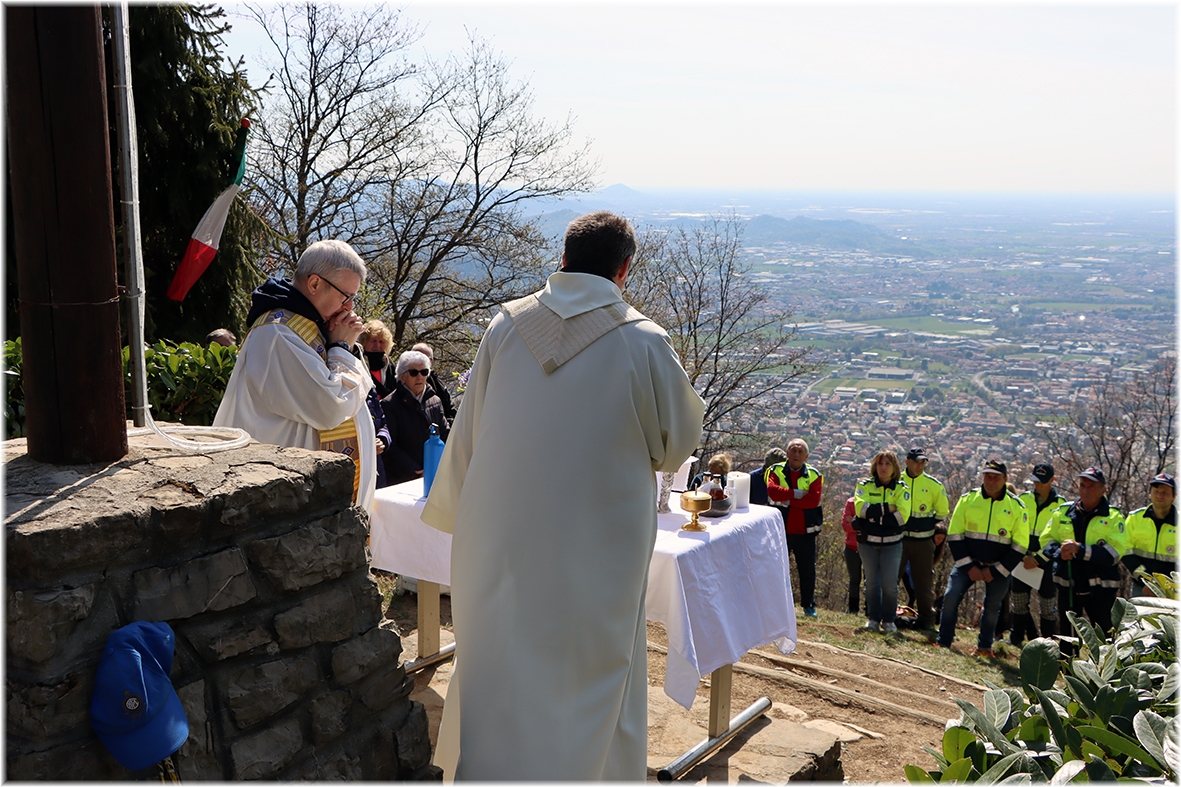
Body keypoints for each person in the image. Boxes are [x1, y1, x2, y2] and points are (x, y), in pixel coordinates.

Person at [420, 210, 704, 781]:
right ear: (624, 269)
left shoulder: (505, 327)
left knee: (498, 666)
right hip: (593, 551)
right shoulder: (644, 341)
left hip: (499, 540)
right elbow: (676, 446)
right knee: (588, 677)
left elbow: (468, 433)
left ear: (565, 259)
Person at [213, 239, 376, 509]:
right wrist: (340, 347)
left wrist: (340, 345)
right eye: (345, 296)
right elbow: (330, 408)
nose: (349, 307)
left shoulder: (308, 325)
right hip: (285, 495)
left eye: (352, 298)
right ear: (315, 284)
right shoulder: (278, 333)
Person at [935, 460, 1029, 657]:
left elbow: (1020, 545)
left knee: (992, 608)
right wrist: (969, 566)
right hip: (967, 564)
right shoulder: (968, 500)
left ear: (1005, 479)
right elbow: (955, 534)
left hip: (998, 568)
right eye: (987, 476)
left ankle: (984, 647)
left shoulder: (1017, 507)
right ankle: (943, 641)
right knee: (951, 597)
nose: (991, 481)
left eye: (996, 477)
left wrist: (995, 570)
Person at [1040, 466, 1127, 639]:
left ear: (1103, 490)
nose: (1086, 490)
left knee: (1105, 637)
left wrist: (1080, 550)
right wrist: (1059, 553)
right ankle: (1067, 659)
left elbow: (1114, 553)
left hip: (1101, 590)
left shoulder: (1113, 517)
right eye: (1082, 485)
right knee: (1068, 637)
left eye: (1091, 486)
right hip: (1068, 586)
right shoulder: (1063, 512)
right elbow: (1046, 540)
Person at [851, 450, 911, 634]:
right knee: (871, 583)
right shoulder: (865, 485)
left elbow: (902, 518)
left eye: (887, 464)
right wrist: (889, 509)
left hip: (892, 545)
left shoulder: (902, 488)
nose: (883, 467)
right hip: (868, 544)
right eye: (880, 463)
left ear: (894, 468)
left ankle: (889, 620)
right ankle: (873, 619)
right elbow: (861, 510)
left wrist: (874, 516)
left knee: (889, 585)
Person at [766, 438, 824, 618]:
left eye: (800, 451)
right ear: (787, 453)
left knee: (807, 571)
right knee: (776, 569)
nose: (796, 454)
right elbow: (773, 492)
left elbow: (812, 501)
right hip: (780, 530)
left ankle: (808, 605)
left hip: (805, 531)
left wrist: (788, 500)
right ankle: (773, 603)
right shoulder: (774, 470)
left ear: (806, 456)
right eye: (793, 450)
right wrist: (798, 494)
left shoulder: (814, 475)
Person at [1010, 462, 1064, 645]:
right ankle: (1016, 638)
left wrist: (1040, 558)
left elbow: (1060, 537)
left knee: (1048, 606)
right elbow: (1014, 528)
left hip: (1047, 562)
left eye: (1042, 481)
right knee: (1019, 602)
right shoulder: (1023, 500)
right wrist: (1024, 555)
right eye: (1035, 481)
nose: (1037, 485)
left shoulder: (1061, 506)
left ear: (1052, 480)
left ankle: (1047, 643)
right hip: (1023, 559)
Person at [379, 350, 450, 486]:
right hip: (403, 479)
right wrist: (415, 471)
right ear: (402, 377)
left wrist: (441, 465)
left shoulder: (435, 401)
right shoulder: (389, 405)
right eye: (413, 373)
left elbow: (445, 434)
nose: (419, 377)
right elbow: (390, 446)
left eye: (424, 372)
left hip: (435, 474)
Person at [898, 447, 950, 630]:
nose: (920, 466)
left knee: (924, 583)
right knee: (891, 579)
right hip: (899, 540)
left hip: (923, 542)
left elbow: (942, 512)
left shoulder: (933, 485)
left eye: (923, 462)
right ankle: (885, 615)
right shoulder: (896, 481)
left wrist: (924, 525)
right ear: (907, 462)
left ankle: (927, 620)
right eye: (916, 462)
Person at [1122, 473, 1176, 596]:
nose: (1160, 495)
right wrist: (1146, 580)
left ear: (1174, 496)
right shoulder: (1135, 518)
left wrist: (1167, 585)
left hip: (1173, 590)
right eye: (1156, 491)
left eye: (1165, 492)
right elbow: (1125, 552)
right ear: (1150, 493)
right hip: (1141, 587)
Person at [412, 342, 457, 422]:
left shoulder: (438, 385)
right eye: (416, 357)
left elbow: (450, 411)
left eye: (425, 359)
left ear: (431, 361)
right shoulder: (401, 380)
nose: (420, 362)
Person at [359, 320, 396, 397]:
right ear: (364, 342)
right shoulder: (358, 363)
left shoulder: (389, 365)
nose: (377, 345)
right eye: (374, 341)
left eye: (381, 341)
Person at [841, 495, 861, 614]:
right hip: (851, 547)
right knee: (854, 580)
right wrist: (861, 525)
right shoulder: (850, 502)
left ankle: (870, 610)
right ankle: (853, 609)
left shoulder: (873, 502)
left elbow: (873, 526)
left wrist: (853, 521)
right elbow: (845, 526)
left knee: (870, 581)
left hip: (869, 547)